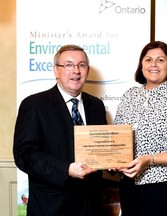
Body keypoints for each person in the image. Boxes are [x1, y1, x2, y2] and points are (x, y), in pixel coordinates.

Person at [13, 44, 107, 216]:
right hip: (51, 207)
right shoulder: (34, 105)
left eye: (82, 65)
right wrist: (66, 169)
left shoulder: (96, 105)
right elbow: (24, 155)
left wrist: (113, 162)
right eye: (69, 65)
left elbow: (103, 148)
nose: (76, 71)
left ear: (87, 70)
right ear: (56, 70)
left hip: (90, 207)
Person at [113, 41, 167, 216]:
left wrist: (148, 159)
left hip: (166, 187)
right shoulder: (129, 96)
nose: (153, 64)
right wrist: (112, 160)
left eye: (160, 60)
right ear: (141, 65)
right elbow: (116, 137)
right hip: (130, 186)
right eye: (148, 59)